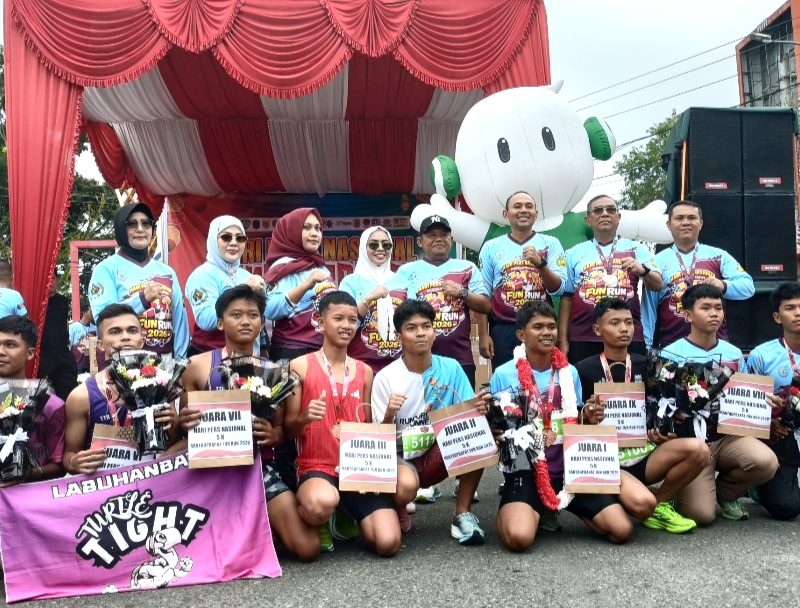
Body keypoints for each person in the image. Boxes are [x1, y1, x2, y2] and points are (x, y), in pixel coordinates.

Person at [177, 285, 320, 561]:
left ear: (261, 322)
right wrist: (184, 422)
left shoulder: (274, 371)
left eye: (253, 315)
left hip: (257, 467)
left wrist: (273, 435)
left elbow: (280, 431)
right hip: (207, 470)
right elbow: (180, 431)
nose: (245, 321)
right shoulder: (197, 366)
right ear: (220, 322)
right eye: (236, 315)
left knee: (308, 547)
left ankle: (260, 524)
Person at [490, 301, 633, 551]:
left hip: (571, 469)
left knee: (621, 529)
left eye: (551, 326)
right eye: (538, 327)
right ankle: (529, 508)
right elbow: (498, 428)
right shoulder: (503, 374)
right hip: (527, 470)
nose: (547, 332)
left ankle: (563, 506)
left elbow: (577, 420)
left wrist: (589, 416)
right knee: (519, 538)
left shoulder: (569, 372)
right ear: (521, 334)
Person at [575, 298, 708, 533]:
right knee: (639, 504)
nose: (624, 329)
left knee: (699, 450)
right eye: (614, 323)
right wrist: (587, 417)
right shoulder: (582, 369)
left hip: (642, 454)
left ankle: (660, 503)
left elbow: (662, 408)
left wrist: (661, 430)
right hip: (605, 460)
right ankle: (627, 500)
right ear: (597, 329)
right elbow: (573, 422)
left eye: (629, 322)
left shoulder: (650, 365)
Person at [284, 291, 401, 557]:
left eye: (352, 320)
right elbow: (288, 429)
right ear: (321, 322)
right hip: (316, 466)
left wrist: (388, 417)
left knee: (388, 542)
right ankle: (325, 516)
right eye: (338, 319)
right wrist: (305, 417)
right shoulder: (300, 366)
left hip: (358, 468)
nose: (346, 326)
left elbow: (367, 427)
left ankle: (346, 510)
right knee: (320, 504)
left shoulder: (365, 371)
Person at [371, 299, 491, 545]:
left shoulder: (451, 368)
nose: (420, 333)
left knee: (478, 433)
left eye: (426, 326)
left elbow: (467, 413)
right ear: (399, 337)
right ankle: (397, 504)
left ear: (434, 332)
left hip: (439, 451)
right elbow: (378, 441)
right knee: (405, 488)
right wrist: (389, 414)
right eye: (411, 328)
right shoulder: (385, 377)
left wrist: (479, 407)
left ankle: (462, 513)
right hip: (400, 457)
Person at [660, 284, 778, 524]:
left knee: (767, 462)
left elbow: (745, 395)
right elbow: (663, 402)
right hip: (691, 443)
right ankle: (677, 491)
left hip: (726, 436)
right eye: (705, 308)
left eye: (718, 308)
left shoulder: (734, 353)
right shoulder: (670, 354)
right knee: (701, 515)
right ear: (688, 315)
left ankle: (726, 494)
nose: (714, 313)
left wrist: (763, 403)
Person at [62, 304, 177, 475]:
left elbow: (173, 444)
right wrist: (74, 463)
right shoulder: (81, 396)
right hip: (104, 487)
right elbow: (69, 456)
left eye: (132, 331)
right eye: (115, 332)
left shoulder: (162, 384)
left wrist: (172, 425)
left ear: (141, 340)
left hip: (152, 483)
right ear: (100, 344)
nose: (125, 337)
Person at [558, 195, 663, 364]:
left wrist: (643, 271)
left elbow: (657, 284)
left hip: (628, 336)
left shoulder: (636, 249)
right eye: (598, 210)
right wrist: (563, 340)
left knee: (629, 381)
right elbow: (566, 298)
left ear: (618, 218)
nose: (605, 214)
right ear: (588, 220)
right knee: (585, 381)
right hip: (584, 336)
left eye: (611, 210)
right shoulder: (573, 253)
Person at [642, 200, 754, 350]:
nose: (686, 222)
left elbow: (748, 287)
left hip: (716, 347)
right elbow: (648, 308)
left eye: (692, 218)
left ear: (700, 224)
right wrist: (646, 346)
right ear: (669, 225)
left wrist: (723, 285)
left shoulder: (718, 256)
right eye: (679, 218)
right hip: (673, 348)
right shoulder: (655, 262)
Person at [394, 215, 490, 387]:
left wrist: (462, 292)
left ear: (451, 240)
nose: (438, 239)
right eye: (431, 235)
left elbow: (485, 305)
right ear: (420, 241)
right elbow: (400, 314)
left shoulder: (467, 267)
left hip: (460, 357)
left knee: (463, 404)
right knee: (421, 404)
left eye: (444, 235)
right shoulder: (405, 271)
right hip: (419, 359)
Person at [478, 191, 566, 370]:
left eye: (529, 206)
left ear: (536, 213)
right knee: (507, 381)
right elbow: (483, 295)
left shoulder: (551, 243)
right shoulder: (490, 247)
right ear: (506, 214)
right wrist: (483, 334)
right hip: (504, 327)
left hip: (541, 327)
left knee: (543, 379)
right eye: (517, 206)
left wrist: (541, 264)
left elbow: (558, 288)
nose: (523, 210)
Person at [88, 203, 189, 360]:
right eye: (132, 224)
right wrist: (142, 299)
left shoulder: (167, 272)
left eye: (146, 223)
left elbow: (180, 321)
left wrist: (180, 362)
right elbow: (103, 318)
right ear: (121, 229)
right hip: (123, 361)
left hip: (166, 362)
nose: (140, 229)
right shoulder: (105, 269)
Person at [744, 281, 800, 521]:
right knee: (786, 507)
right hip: (781, 435)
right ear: (778, 317)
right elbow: (748, 406)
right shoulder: (761, 356)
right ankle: (760, 484)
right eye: (790, 308)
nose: (798, 313)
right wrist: (766, 425)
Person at [185, 215, 267, 354]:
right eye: (226, 237)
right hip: (210, 356)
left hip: (246, 354)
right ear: (213, 240)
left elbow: (259, 315)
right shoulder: (202, 275)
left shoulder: (245, 275)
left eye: (240, 238)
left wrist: (263, 347)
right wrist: (244, 289)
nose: (234, 243)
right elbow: (206, 320)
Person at [264, 208, 336, 362]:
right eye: (307, 227)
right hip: (291, 350)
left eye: (318, 228)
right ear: (292, 231)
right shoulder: (283, 268)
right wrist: (305, 286)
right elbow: (269, 309)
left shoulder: (321, 267)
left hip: (322, 350)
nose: (314, 233)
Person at [0, 315, 66, 484]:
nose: (1, 351)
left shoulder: (50, 405)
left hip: (31, 496)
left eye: (10, 345)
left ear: (30, 353)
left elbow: (60, 464)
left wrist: (30, 473)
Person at [339, 226, 406, 373]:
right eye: (374, 244)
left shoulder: (402, 280)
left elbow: (412, 319)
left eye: (386, 245)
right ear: (364, 248)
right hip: (360, 366)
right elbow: (344, 322)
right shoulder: (350, 282)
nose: (380, 248)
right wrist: (370, 298)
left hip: (399, 366)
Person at [38, 277, 78, 400]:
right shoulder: (37, 301)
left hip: (62, 352)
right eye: (47, 279)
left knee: (68, 390)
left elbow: (64, 323)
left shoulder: (63, 301)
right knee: (39, 394)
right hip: (43, 353)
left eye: (53, 279)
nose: (50, 282)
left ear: (57, 281)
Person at [69, 299, 96, 374]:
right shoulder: (73, 327)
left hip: (91, 366)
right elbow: (69, 346)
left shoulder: (95, 328)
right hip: (76, 365)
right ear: (84, 312)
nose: (93, 314)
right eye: (91, 311)